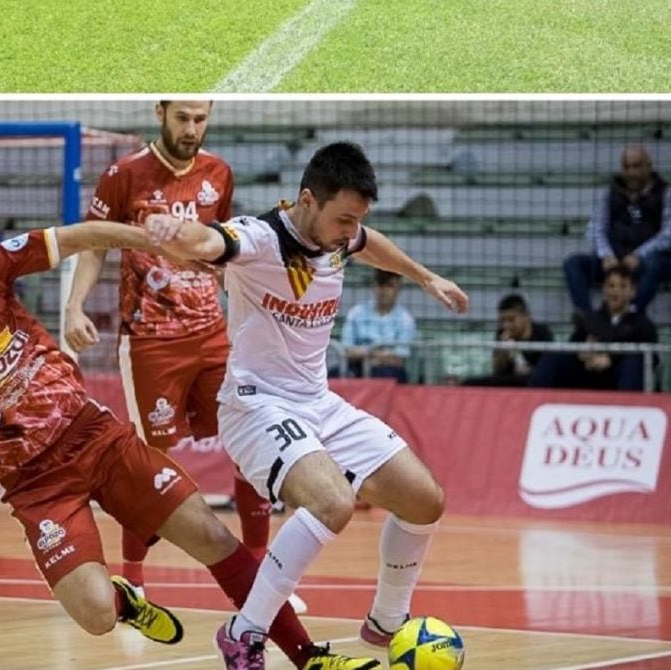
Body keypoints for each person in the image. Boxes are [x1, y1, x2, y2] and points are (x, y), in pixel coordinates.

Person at [0, 219, 348, 670]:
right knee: (95, 617)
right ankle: (124, 601)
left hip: (93, 436)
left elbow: (79, 236)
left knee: (212, 539)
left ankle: (308, 657)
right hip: (35, 484)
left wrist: (158, 244)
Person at [141, 141, 469, 670]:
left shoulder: (339, 237)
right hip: (255, 406)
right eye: (342, 218)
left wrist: (424, 277)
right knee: (332, 503)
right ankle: (243, 633)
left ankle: (387, 622)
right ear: (306, 200)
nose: (349, 230)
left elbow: (369, 243)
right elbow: (209, 240)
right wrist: (172, 231)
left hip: (317, 403)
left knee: (424, 499)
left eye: (356, 220)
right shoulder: (261, 236)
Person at [64, 99, 275, 601]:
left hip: (212, 336)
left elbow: (224, 248)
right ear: (160, 112)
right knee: (149, 461)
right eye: (182, 117)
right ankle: (133, 579)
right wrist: (75, 307)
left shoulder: (218, 173)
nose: (191, 128)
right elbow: (93, 244)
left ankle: (264, 574)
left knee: (249, 438)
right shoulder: (124, 174)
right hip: (150, 342)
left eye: (200, 118)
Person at [563, 145, 671, 317]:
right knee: (573, 264)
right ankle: (589, 320)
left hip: (644, 262)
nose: (631, 172)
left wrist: (639, 255)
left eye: (636, 166)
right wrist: (606, 255)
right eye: (627, 167)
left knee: (655, 264)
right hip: (615, 260)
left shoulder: (665, 193)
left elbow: (668, 234)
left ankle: (629, 317)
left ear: (649, 166)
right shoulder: (611, 192)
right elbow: (596, 227)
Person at [535, 266, 658, 391]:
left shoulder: (643, 325)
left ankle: (626, 408)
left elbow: (651, 360)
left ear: (633, 291)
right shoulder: (591, 319)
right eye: (611, 285)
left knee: (633, 363)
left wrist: (610, 360)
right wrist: (582, 353)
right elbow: (574, 345)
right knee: (554, 355)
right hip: (588, 376)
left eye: (622, 286)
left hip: (620, 379)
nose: (615, 291)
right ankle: (532, 402)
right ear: (604, 289)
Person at [339, 270, 416, 382]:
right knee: (333, 374)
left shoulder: (405, 319)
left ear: (398, 289)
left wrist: (366, 354)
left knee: (390, 374)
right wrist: (375, 354)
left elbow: (399, 358)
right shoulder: (357, 312)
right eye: (380, 285)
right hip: (356, 366)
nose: (383, 291)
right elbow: (347, 350)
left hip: (388, 370)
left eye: (389, 286)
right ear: (374, 287)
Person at [463, 293, 553, 387]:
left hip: (536, 381)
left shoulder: (542, 333)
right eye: (502, 320)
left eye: (511, 320)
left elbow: (549, 367)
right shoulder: (501, 333)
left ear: (525, 316)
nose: (506, 325)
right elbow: (497, 369)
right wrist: (503, 352)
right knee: (469, 383)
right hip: (509, 381)